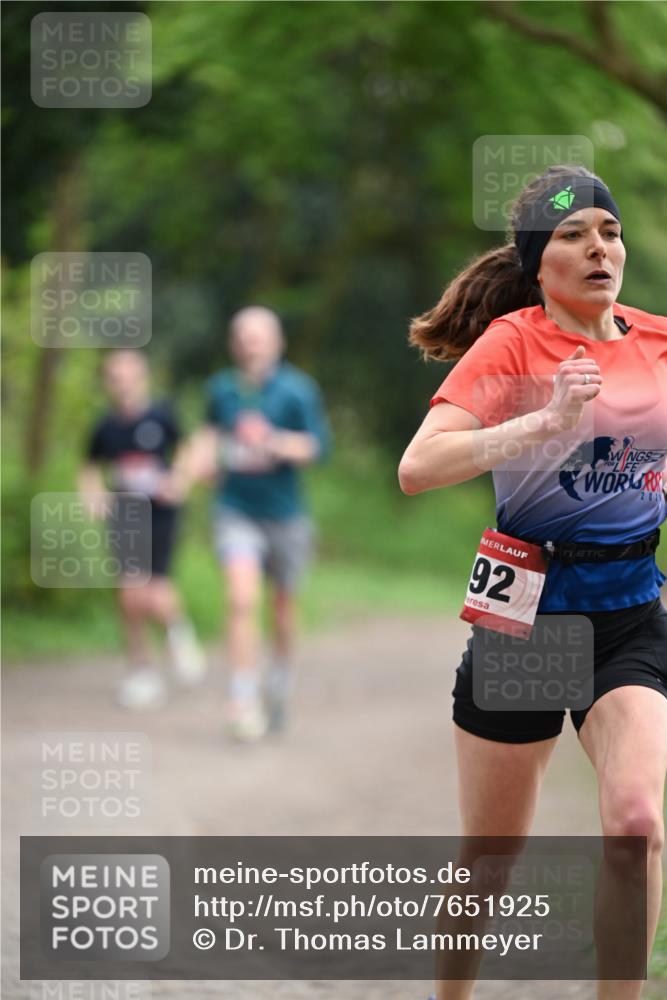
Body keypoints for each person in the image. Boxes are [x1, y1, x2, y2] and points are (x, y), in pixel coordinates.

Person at [399, 166, 666, 1000]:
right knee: (489, 859)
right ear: (537, 261)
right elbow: (418, 466)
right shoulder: (512, 343)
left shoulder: (659, 344)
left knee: (634, 826)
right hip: (526, 618)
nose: (598, 248)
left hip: (628, 614)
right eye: (572, 234)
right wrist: (541, 421)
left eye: (608, 231)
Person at [188, 306, 330, 741]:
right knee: (240, 598)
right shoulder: (221, 389)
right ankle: (243, 694)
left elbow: (317, 448)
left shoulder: (297, 391)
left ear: (277, 342)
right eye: (244, 336)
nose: (252, 343)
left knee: (282, 609)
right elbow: (209, 436)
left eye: (260, 336)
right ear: (234, 343)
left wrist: (272, 442)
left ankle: (279, 681)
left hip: (286, 515)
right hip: (235, 510)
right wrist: (200, 462)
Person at [78, 349, 206, 709]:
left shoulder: (162, 416)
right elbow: (88, 468)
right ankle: (141, 670)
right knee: (130, 593)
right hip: (125, 515)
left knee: (156, 591)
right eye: (114, 377)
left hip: (162, 513)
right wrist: (93, 496)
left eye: (127, 376)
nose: (121, 384)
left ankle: (176, 633)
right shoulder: (105, 426)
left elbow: (188, 450)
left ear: (142, 377)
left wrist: (180, 480)